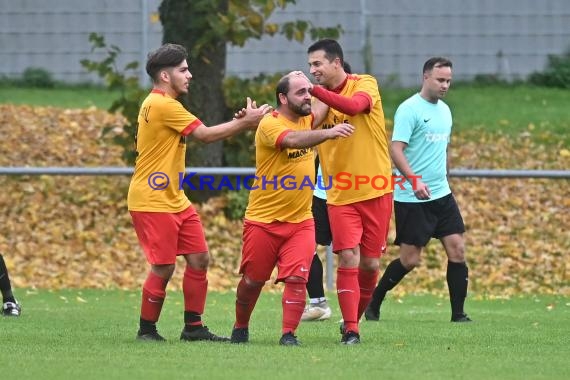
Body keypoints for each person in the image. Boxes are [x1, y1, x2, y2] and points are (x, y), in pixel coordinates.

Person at [128, 43, 272, 342]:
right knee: (164, 266)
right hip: (153, 200)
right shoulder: (164, 105)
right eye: (183, 70)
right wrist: (245, 123)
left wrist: (240, 123)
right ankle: (146, 330)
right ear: (165, 76)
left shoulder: (161, 104)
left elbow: (204, 132)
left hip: (173, 199)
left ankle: (193, 328)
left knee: (199, 258)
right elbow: (205, 135)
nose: (189, 75)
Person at [230, 72, 354, 346]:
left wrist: (336, 73)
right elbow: (294, 140)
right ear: (283, 98)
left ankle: (289, 334)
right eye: (301, 92)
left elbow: (330, 97)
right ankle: (240, 326)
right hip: (263, 221)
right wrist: (329, 133)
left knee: (298, 278)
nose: (308, 96)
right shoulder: (269, 124)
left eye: (308, 91)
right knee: (253, 281)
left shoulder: (308, 117)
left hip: (300, 221)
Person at [364, 57, 472, 323]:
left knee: (457, 249)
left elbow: (443, 147)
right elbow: (396, 149)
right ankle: (373, 302)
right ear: (426, 77)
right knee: (410, 260)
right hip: (412, 196)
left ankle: (458, 315)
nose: (445, 85)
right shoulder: (409, 109)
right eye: (440, 80)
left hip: (441, 195)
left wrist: (446, 172)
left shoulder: (445, 110)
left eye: (448, 80)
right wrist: (414, 180)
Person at [305, 39, 393, 344]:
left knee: (369, 264)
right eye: (310, 66)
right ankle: (352, 329)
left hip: (376, 190)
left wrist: (318, 92)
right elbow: (306, 129)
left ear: (336, 63)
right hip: (340, 194)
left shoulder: (364, 84)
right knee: (348, 258)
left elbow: (356, 107)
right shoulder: (319, 99)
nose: (312, 71)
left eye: (317, 64)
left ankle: (353, 317)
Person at [301, 61, 352, 323]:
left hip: (353, 194)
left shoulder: (360, 102)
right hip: (322, 192)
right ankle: (318, 302)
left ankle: (352, 315)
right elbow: (303, 130)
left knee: (350, 255)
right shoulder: (319, 105)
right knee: (305, 246)